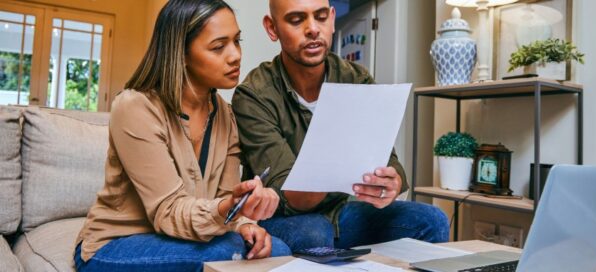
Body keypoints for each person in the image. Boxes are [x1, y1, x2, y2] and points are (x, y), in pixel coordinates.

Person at [74, 1, 290, 271]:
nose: (235, 55)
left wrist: (244, 221)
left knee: (276, 249)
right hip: (116, 244)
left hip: (182, 236)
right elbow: (168, 212)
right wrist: (227, 208)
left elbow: (224, 199)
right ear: (181, 53)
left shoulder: (226, 115)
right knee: (232, 252)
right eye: (218, 46)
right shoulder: (135, 107)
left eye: (237, 41)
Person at [231, 0, 449, 251]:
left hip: (338, 212)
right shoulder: (253, 94)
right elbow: (287, 193)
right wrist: (334, 166)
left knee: (432, 220)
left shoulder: (357, 79)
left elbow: (388, 160)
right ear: (272, 28)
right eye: (296, 20)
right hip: (283, 218)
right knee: (312, 233)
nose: (313, 29)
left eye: (321, 17)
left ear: (332, 19)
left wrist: (390, 184)